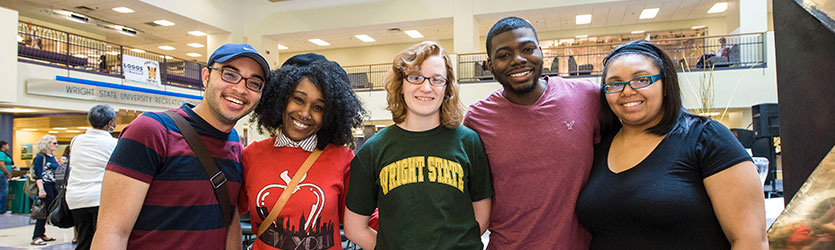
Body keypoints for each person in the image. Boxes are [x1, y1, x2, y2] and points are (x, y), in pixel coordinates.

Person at [575, 40, 767, 249]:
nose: (627, 91)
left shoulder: (706, 137)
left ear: (665, 85)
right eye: (615, 83)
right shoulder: (600, 146)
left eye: (641, 80)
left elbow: (750, 240)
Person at [91, 43, 270, 250]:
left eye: (254, 83)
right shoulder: (152, 130)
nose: (240, 89)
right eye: (229, 75)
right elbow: (112, 232)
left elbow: (230, 219)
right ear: (206, 76)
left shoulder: (233, 143)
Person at [462, 17, 600, 250]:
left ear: (540, 52)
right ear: (489, 65)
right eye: (504, 55)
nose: (518, 60)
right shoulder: (476, 119)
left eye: (527, 49)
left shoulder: (587, 97)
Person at [345, 41, 493, 250]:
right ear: (401, 84)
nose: (426, 87)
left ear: (447, 87)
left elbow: (482, 216)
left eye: (436, 79)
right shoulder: (373, 150)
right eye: (415, 77)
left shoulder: (469, 142)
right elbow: (354, 228)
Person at [239, 56, 365, 250]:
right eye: (298, 99)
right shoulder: (251, 155)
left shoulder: (343, 158)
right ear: (281, 99)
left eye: (318, 107)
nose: (305, 113)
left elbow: (364, 220)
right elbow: (227, 214)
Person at [65, 104, 118, 250]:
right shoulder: (114, 143)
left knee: (84, 239)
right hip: (99, 197)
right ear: (110, 123)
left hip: (75, 198)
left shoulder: (76, 140)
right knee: (100, 241)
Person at [30, 135, 60, 245]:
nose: (56, 145)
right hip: (45, 186)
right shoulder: (40, 158)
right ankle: (36, 236)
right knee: (42, 212)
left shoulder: (52, 157)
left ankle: (42, 233)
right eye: (54, 143)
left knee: (47, 211)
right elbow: (38, 175)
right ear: (47, 144)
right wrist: (41, 189)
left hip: (53, 186)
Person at [0, 141, 12, 215]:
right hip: (2, 175)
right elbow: (1, 164)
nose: (9, 147)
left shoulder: (4, 154)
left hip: (3, 175)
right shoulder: (1, 153)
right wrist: (8, 173)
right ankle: (1, 209)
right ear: (3, 146)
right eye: (7, 145)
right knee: (3, 192)